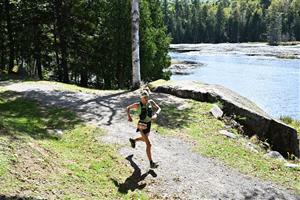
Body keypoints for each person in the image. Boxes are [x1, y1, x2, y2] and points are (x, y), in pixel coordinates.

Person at [126, 89, 161, 169]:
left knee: (144, 139)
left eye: (147, 97)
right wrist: (129, 117)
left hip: (148, 124)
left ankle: (133, 140)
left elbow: (159, 108)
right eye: (144, 97)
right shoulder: (137, 105)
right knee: (149, 144)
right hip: (141, 125)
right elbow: (128, 108)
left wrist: (156, 114)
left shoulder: (151, 102)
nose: (146, 99)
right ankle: (151, 163)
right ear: (141, 98)